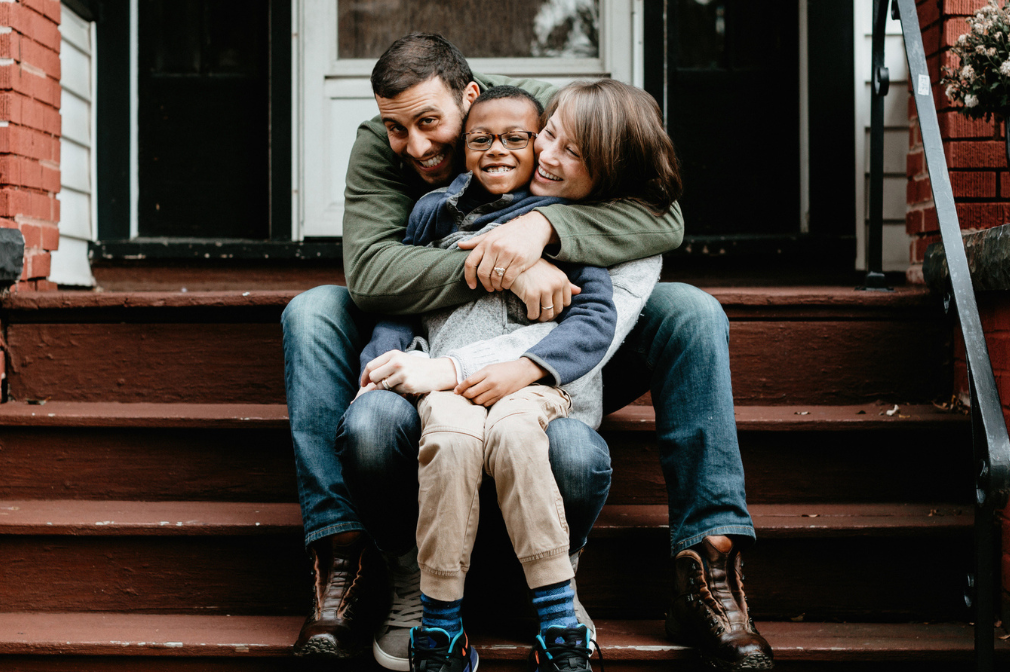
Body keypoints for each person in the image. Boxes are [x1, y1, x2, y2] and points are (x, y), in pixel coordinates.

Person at [282, 32, 774, 672]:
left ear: (472, 97)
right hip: (431, 334)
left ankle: (706, 563)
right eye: (399, 129)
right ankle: (345, 555)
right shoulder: (383, 145)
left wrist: (544, 227)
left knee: (692, 311)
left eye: (431, 123)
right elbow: (373, 275)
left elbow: (663, 219)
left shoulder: (546, 118)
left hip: (555, 341)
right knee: (313, 311)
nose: (418, 146)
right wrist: (507, 264)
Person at [357, 83, 667, 672]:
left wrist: (539, 250)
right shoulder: (437, 210)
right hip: (447, 389)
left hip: (534, 391)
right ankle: (441, 624)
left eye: (522, 140)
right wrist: (384, 359)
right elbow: (399, 300)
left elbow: (595, 317)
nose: (515, 151)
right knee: (446, 444)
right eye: (481, 139)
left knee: (521, 440)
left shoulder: (570, 219)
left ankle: (557, 615)